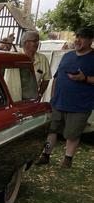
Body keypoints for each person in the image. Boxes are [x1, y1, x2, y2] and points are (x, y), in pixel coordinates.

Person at [36, 27, 94, 168]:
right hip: (59, 101)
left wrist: (85, 78)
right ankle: (45, 155)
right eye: (77, 36)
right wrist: (53, 96)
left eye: (83, 37)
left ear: (91, 40)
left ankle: (67, 159)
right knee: (52, 129)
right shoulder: (67, 56)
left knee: (72, 134)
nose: (78, 40)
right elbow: (56, 77)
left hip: (80, 105)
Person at [21, 30, 52, 97]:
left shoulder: (43, 58)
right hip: (13, 97)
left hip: (32, 98)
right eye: (35, 41)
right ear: (26, 42)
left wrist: (40, 94)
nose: (37, 43)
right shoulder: (15, 55)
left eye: (38, 41)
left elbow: (46, 79)